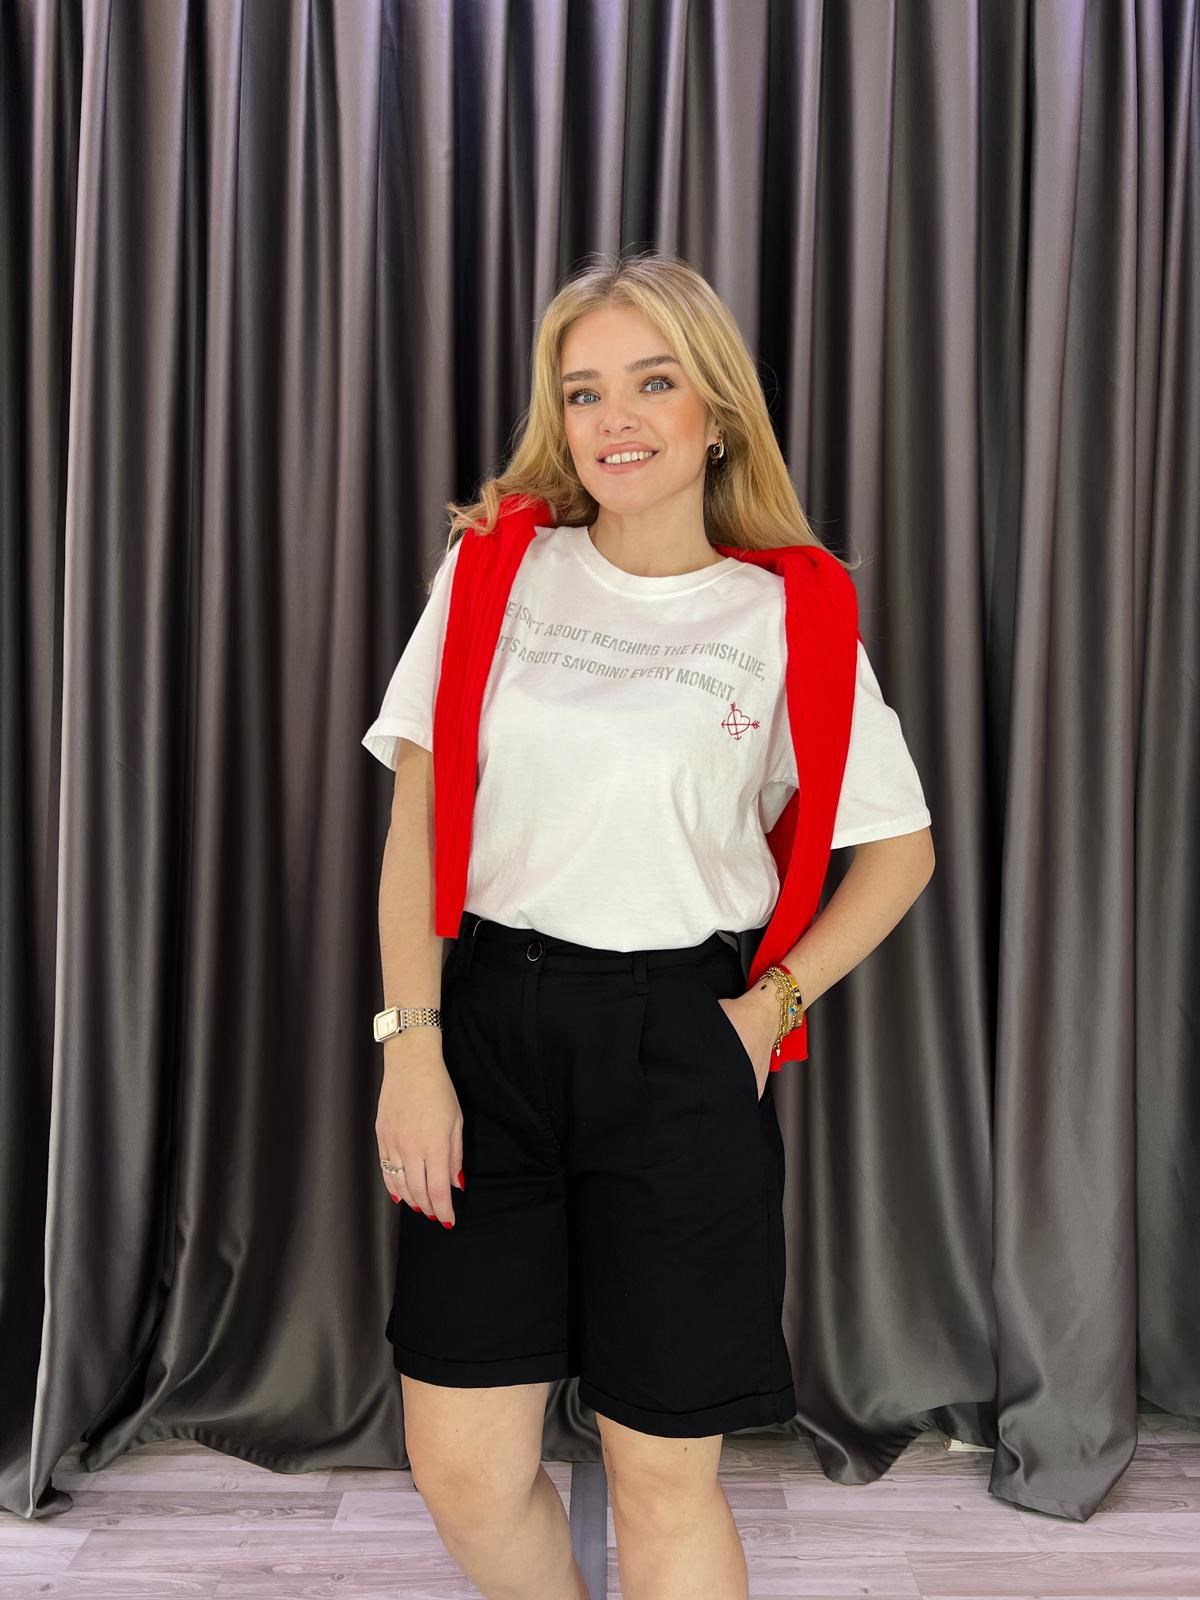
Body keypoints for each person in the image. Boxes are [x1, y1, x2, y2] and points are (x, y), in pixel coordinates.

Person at [362, 251, 934, 1600]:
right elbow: (417, 826)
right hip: (485, 1033)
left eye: (653, 382)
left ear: (715, 411)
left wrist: (766, 1013)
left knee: (661, 1477)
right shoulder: (496, 569)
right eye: (584, 392)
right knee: (463, 1467)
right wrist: (410, 1045)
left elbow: (900, 851)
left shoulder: (789, 615)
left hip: (679, 1046)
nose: (615, 418)